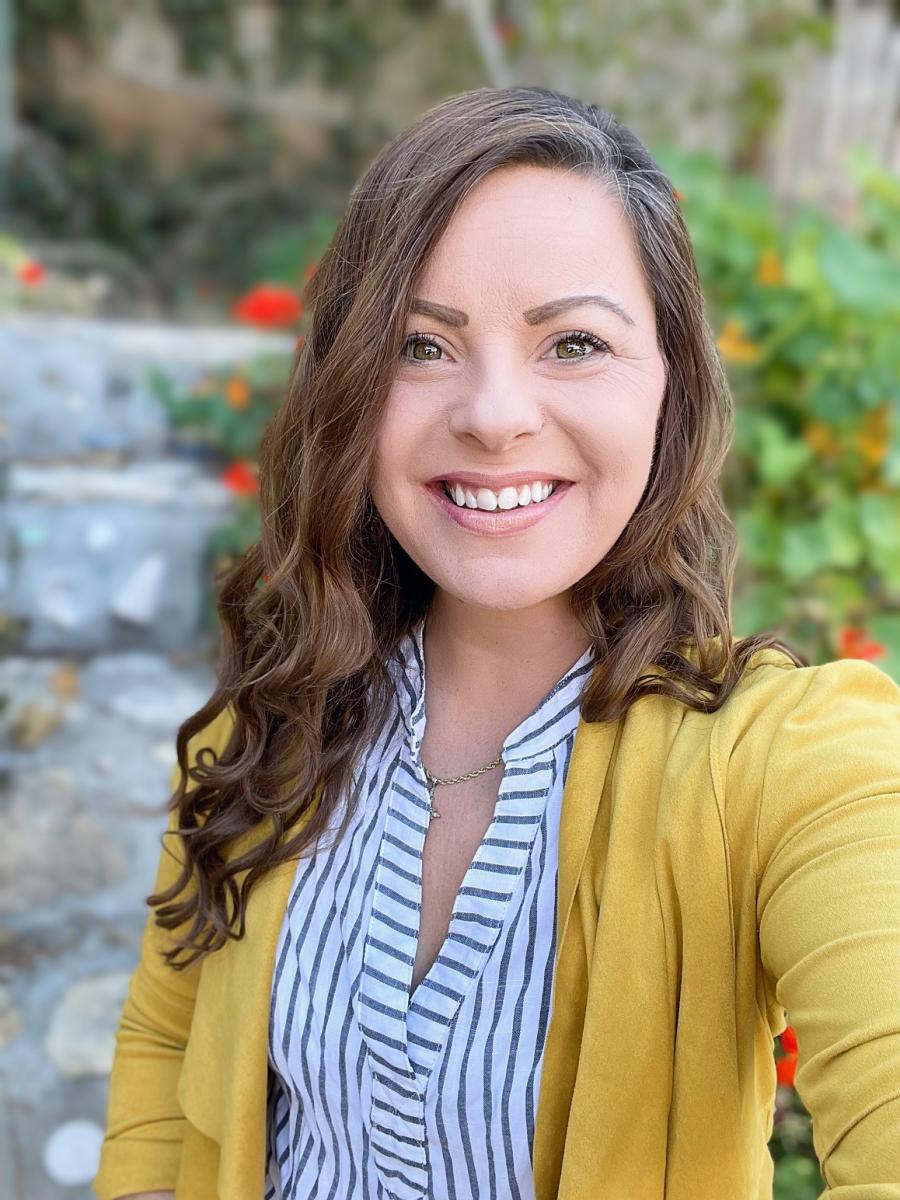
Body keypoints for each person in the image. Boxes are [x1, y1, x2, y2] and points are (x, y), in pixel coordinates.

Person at [93, 86, 900, 1200]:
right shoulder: (266, 726)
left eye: (574, 342)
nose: (493, 414)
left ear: (668, 382)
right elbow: (161, 1076)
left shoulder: (795, 763)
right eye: (422, 345)